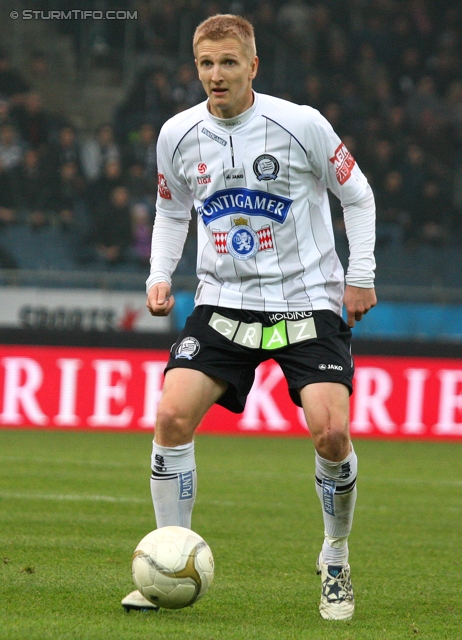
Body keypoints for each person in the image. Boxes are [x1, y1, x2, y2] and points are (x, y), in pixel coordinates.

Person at [121, 14, 377, 621]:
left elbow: (357, 194)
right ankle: (167, 554)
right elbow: (171, 210)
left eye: (228, 62)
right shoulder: (177, 135)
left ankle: (335, 557)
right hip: (223, 300)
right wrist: (160, 274)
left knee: (331, 433)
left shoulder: (302, 124)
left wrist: (360, 274)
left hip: (306, 299)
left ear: (253, 66)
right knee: (171, 415)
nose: (216, 75)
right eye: (206, 64)